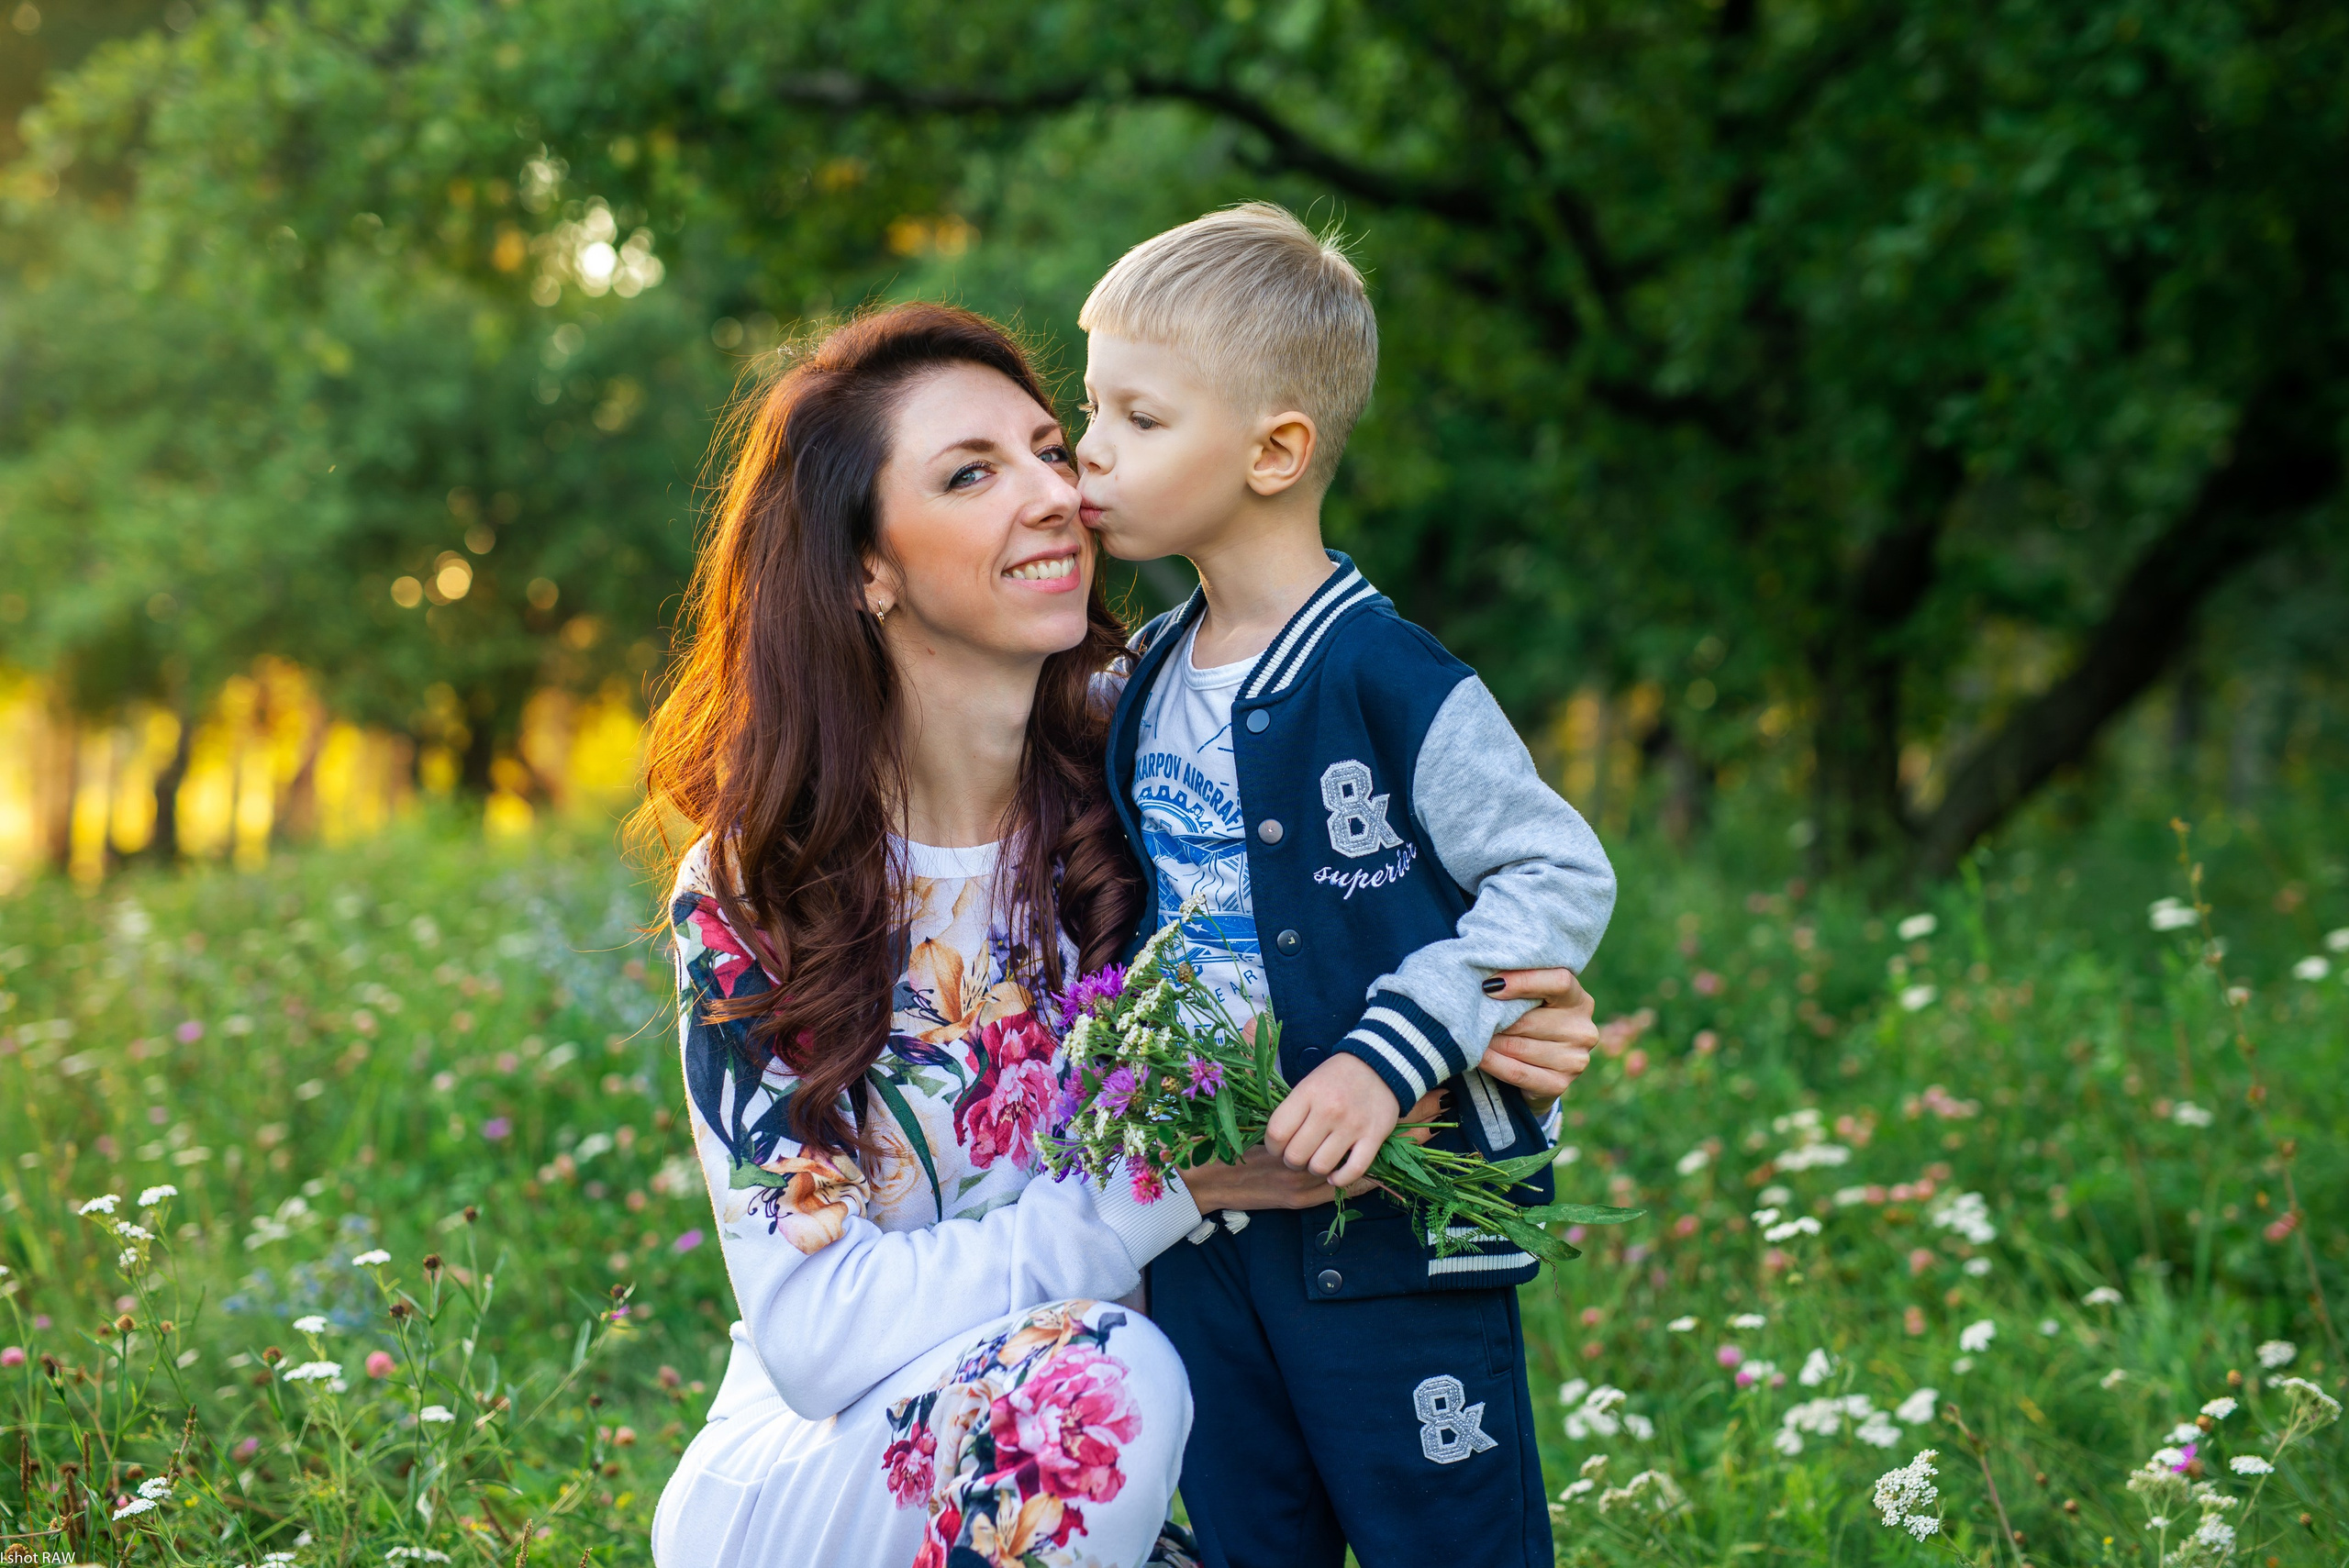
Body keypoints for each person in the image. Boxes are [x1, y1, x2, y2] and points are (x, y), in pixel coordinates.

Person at [635, 302, 1600, 1568]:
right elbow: (815, 1331)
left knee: (1121, 1418)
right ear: (864, 565)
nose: (1053, 490)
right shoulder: (761, 889)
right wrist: (1180, 1187)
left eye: (1052, 445)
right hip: (819, 1489)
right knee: (1105, 1380)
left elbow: (1382, 950)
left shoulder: (1163, 779)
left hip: (1086, 1465)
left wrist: (1484, 1025)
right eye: (972, 473)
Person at [1074, 205, 1617, 1567]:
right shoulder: (1141, 676)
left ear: (1275, 450)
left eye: (1138, 418)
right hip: (1211, 1221)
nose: (1088, 450)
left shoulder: (1389, 675)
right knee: (1254, 1534)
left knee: (1451, 1539)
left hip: (1397, 1225)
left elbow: (1554, 868)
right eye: (1093, 410)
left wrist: (1398, 1050)